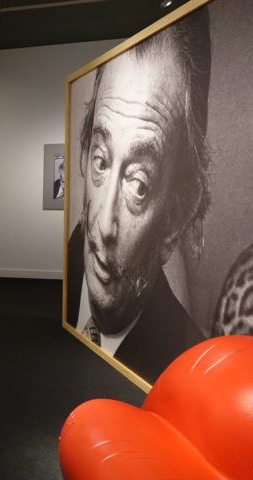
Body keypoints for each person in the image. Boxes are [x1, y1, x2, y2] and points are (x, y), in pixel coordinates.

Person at [66, 8, 212, 384]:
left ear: (176, 217)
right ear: (83, 152)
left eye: (139, 185)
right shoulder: (68, 259)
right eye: (101, 161)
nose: (102, 226)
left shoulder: (183, 376)